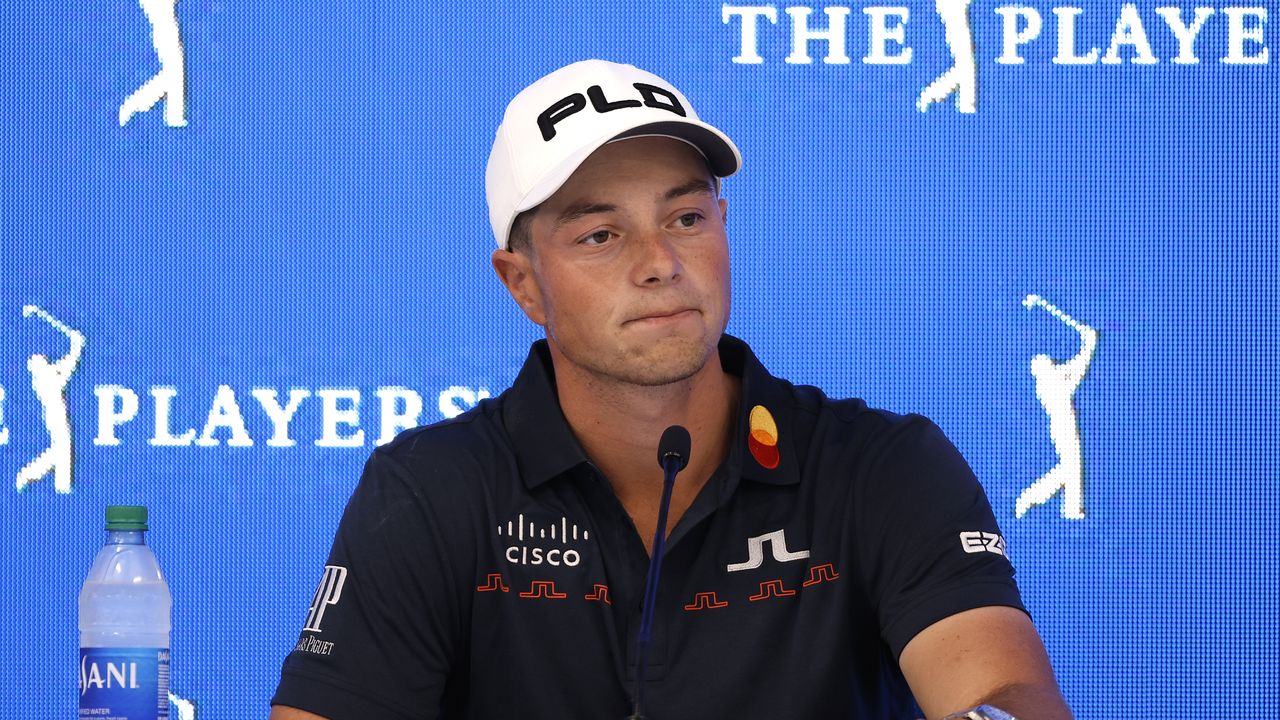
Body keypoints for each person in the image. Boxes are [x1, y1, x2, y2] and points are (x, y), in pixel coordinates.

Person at [270, 60, 1072, 720]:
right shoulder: (431, 491)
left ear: (724, 226)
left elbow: (1005, 691)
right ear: (523, 285)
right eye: (601, 234)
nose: (660, 261)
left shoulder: (882, 466)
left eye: (685, 218)